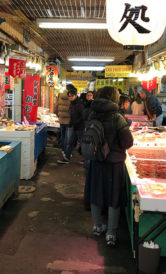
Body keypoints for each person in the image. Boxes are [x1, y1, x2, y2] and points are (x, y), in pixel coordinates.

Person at [84, 86, 133, 246]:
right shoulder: (117, 117)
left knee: (96, 195)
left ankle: (98, 227)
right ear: (114, 98)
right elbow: (128, 142)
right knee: (114, 198)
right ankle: (111, 234)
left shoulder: (93, 113)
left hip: (96, 161)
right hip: (114, 164)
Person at [58, 88, 85, 164]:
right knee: (70, 142)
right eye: (69, 96)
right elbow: (72, 116)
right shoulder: (72, 104)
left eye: (72, 95)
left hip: (80, 127)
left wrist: (75, 123)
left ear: (76, 95)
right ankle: (67, 157)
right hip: (73, 126)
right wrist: (70, 125)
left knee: (82, 143)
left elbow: (82, 116)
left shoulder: (79, 104)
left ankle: (86, 159)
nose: (70, 97)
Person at [54, 84, 75, 157]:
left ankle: (63, 150)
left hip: (62, 119)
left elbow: (55, 107)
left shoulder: (60, 95)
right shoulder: (72, 96)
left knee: (63, 135)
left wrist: (58, 115)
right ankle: (67, 152)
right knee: (68, 136)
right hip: (70, 119)